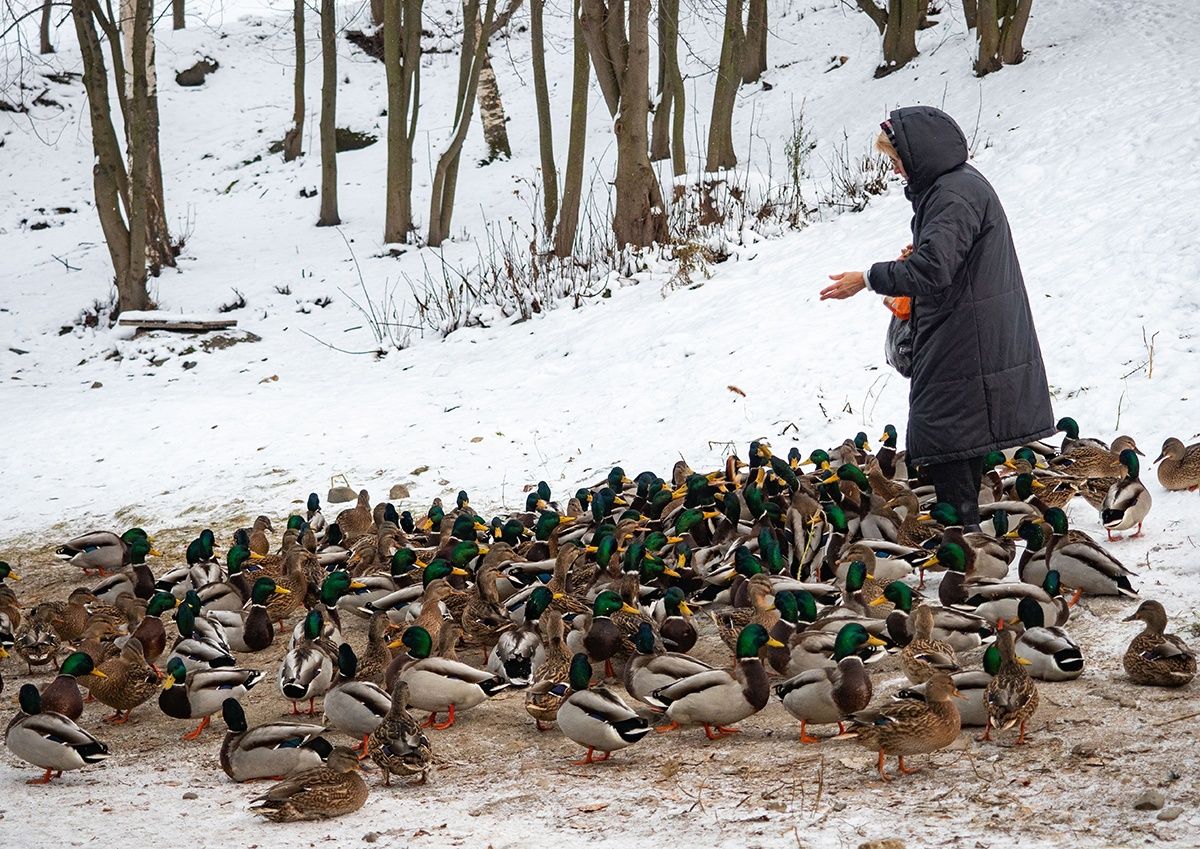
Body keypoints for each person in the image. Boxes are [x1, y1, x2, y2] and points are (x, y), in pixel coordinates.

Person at [820, 106, 1054, 530]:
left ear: (917, 156)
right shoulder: (955, 187)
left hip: (966, 335)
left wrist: (869, 277)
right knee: (956, 437)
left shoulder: (951, 195)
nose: (895, 171)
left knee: (944, 433)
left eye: (896, 161)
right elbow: (946, 258)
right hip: (969, 325)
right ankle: (965, 535)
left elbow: (934, 269)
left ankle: (962, 540)